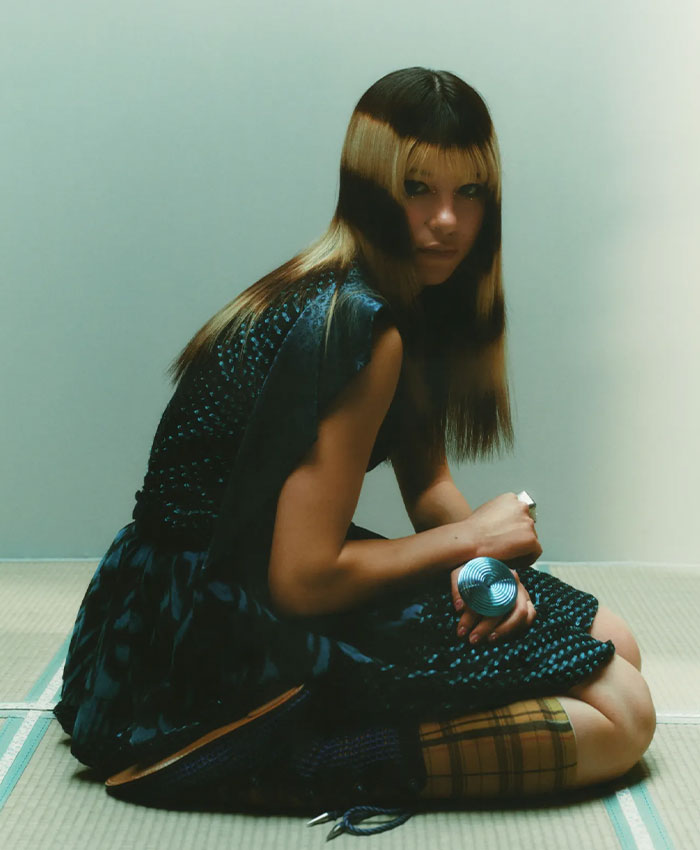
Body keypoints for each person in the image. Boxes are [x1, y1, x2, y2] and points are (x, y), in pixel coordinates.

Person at [54, 67, 655, 817]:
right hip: (204, 634)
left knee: (618, 641)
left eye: (468, 192)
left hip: (197, 589)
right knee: (624, 717)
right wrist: (475, 534)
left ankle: (342, 727)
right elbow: (302, 578)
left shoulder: (400, 299)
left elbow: (429, 484)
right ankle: (280, 756)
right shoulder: (355, 321)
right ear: (369, 187)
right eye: (416, 189)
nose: (446, 220)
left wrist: (483, 571)